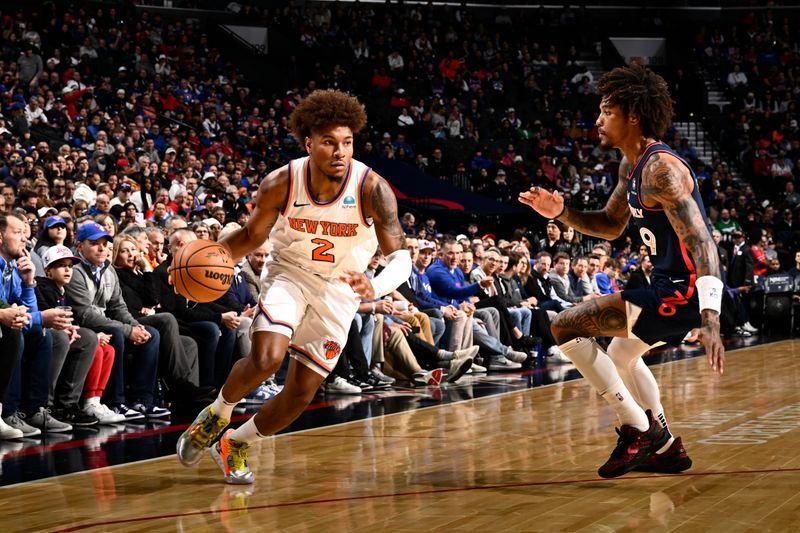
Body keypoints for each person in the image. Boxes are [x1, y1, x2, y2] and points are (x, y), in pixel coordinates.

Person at [176, 89, 412, 484]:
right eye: (329, 142)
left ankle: (236, 441)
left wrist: (377, 284)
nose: (340, 152)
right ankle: (217, 412)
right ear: (309, 143)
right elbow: (251, 237)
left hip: (341, 290)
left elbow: (400, 257)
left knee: (301, 393)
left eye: (347, 143)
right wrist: (201, 259)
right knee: (267, 357)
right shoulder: (282, 181)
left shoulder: (373, 188)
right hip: (290, 273)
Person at [519, 65, 725, 478]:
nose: (597, 121)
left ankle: (638, 428)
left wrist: (711, 318)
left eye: (606, 112)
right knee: (621, 354)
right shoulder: (630, 167)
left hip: (683, 292)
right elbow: (610, 225)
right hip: (665, 284)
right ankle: (665, 446)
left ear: (633, 115)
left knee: (563, 326)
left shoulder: (660, 170)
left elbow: (703, 242)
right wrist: (562, 212)